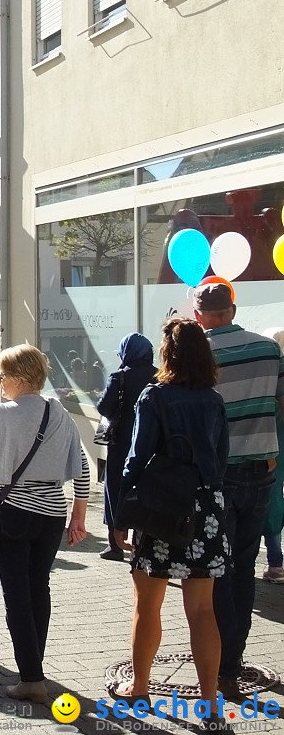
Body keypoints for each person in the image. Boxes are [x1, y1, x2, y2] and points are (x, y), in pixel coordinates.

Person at [112, 318, 228, 729]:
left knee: (148, 605)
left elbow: (135, 459)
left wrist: (121, 513)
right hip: (206, 507)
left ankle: (140, 686)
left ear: (168, 354)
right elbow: (221, 458)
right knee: (202, 609)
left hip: (161, 507)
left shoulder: (155, 396)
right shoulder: (214, 399)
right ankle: (211, 702)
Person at [0, 344, 89, 704]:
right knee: (38, 588)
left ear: (17, 378)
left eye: (1, 376)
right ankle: (34, 666)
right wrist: (78, 516)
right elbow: (84, 469)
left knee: (16, 596)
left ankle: (31, 677)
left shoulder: (1, 414)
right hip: (52, 513)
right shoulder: (59, 412)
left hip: (12, 510)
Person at [193, 282, 284, 697]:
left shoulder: (199, 354)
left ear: (198, 315)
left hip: (219, 472)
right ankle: (235, 656)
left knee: (219, 569)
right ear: (233, 308)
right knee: (245, 565)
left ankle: (222, 662)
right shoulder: (269, 349)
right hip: (262, 466)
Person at [96, 333, 157, 561]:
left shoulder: (119, 377)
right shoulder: (159, 376)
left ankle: (115, 545)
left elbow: (103, 408)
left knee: (115, 490)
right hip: (151, 443)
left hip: (121, 442)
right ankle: (143, 543)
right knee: (146, 489)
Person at [260, 327, 284, 584]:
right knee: (274, 501)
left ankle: (276, 562)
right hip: (277, 446)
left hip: (268, 447)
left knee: (268, 501)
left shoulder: (270, 373)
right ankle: (276, 562)